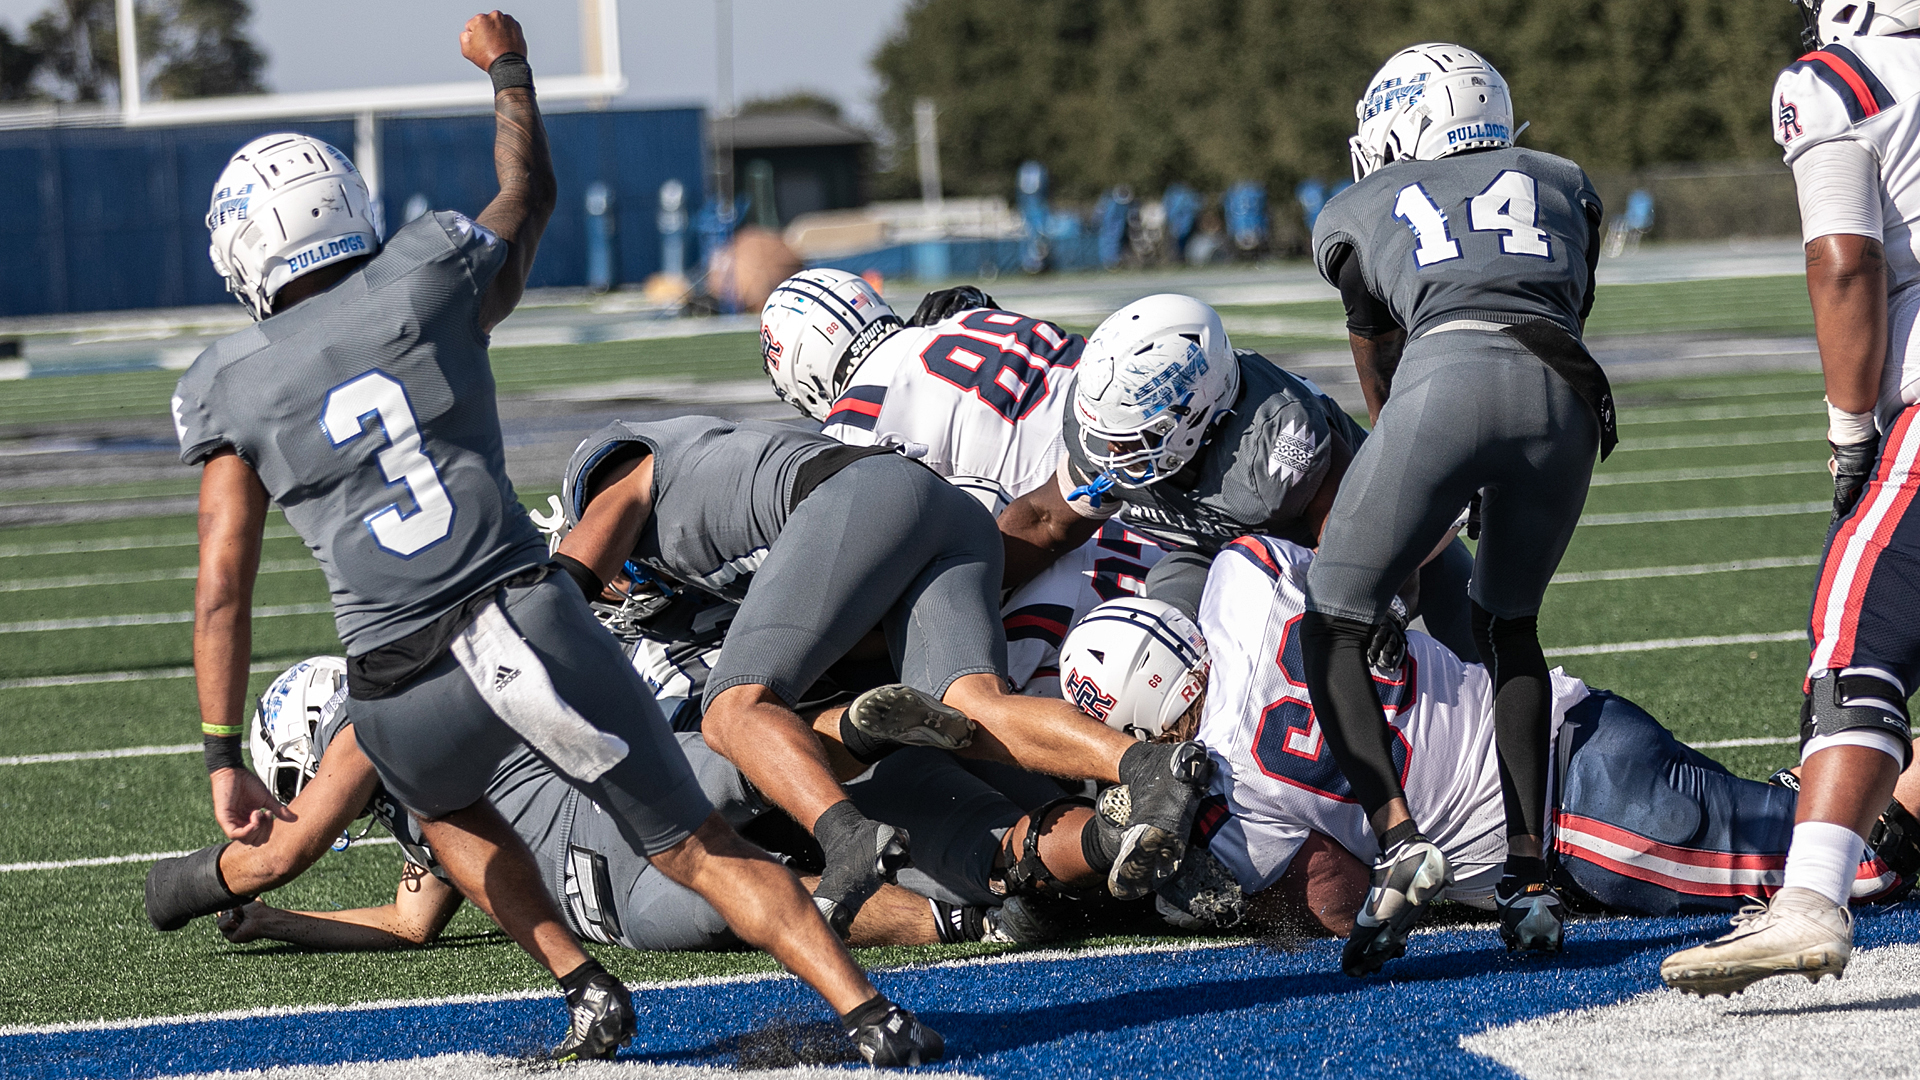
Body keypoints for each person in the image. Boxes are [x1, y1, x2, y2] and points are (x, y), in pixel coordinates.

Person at [149, 12, 940, 1066]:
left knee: (445, 817)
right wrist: (509, 73)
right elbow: (526, 198)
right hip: (523, 626)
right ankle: (870, 1015)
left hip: (394, 686)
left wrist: (217, 757)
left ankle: (582, 986)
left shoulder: (227, 384)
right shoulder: (429, 275)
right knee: (693, 850)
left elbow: (220, 588)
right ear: (350, 211)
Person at [1053, 546, 1920, 946]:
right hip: (1569, 728)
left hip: (1589, 826)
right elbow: (1381, 550)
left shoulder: (1233, 803)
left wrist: (1238, 899)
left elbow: (1338, 899)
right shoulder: (1246, 576)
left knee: (1868, 853)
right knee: (1806, 813)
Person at [551, 416, 1216, 925]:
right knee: (973, 706)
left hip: (858, 497)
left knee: (734, 710)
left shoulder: (623, 477)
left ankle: (844, 837)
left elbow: (569, 575)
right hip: (936, 510)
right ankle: (1148, 770)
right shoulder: (710, 514)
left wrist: (525, 624)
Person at [1300, 43, 1612, 971]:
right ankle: (1529, 875)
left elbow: (1379, 357)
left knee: (1334, 619)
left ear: (1403, 123)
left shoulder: (1358, 208)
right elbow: (1557, 306)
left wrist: (1422, 471)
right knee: (1508, 623)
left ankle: (1399, 840)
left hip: (1444, 381)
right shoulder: (1565, 182)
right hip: (1568, 397)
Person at [152, 658, 1054, 954]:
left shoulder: (389, 741)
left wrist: (228, 885)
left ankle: (964, 926)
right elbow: (408, 921)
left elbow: (399, 912)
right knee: (738, 781)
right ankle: (855, 735)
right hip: (634, 782)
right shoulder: (421, 779)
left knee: (756, 902)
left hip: (611, 875)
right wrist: (279, 919)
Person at [1663, 0, 1920, 997]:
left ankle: (1812, 895)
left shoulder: (1838, 81)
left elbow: (1844, 261)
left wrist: (1848, 431)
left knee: (1857, 645)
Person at [993, 294, 1480, 660]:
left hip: (1378, 540)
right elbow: (1045, 521)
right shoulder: (1121, 448)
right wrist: (972, 579)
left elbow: (1363, 541)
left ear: (1197, 411)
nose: (1112, 453)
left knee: (1467, 660)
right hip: (1213, 561)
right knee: (1147, 642)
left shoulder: (1276, 442)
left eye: (1134, 435)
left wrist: (1380, 606)